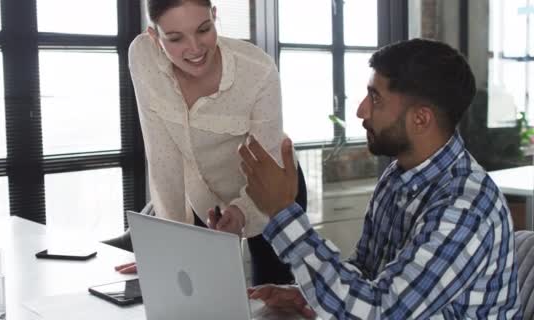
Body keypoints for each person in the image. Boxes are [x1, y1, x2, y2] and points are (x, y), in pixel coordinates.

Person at [239, 38, 523, 319]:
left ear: (421, 119)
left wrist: (283, 212)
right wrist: (309, 297)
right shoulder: (397, 176)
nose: (361, 110)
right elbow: (366, 274)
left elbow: (379, 313)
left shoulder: (466, 208)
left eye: (376, 98)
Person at [113, 0, 303, 286]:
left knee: (272, 293)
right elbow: (162, 158)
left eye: (203, 30)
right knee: (202, 288)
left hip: (269, 187)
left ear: (214, 17)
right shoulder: (143, 57)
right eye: (175, 38)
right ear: (154, 36)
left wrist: (240, 212)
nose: (195, 48)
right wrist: (164, 247)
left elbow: (269, 157)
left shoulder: (257, 70)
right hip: (203, 195)